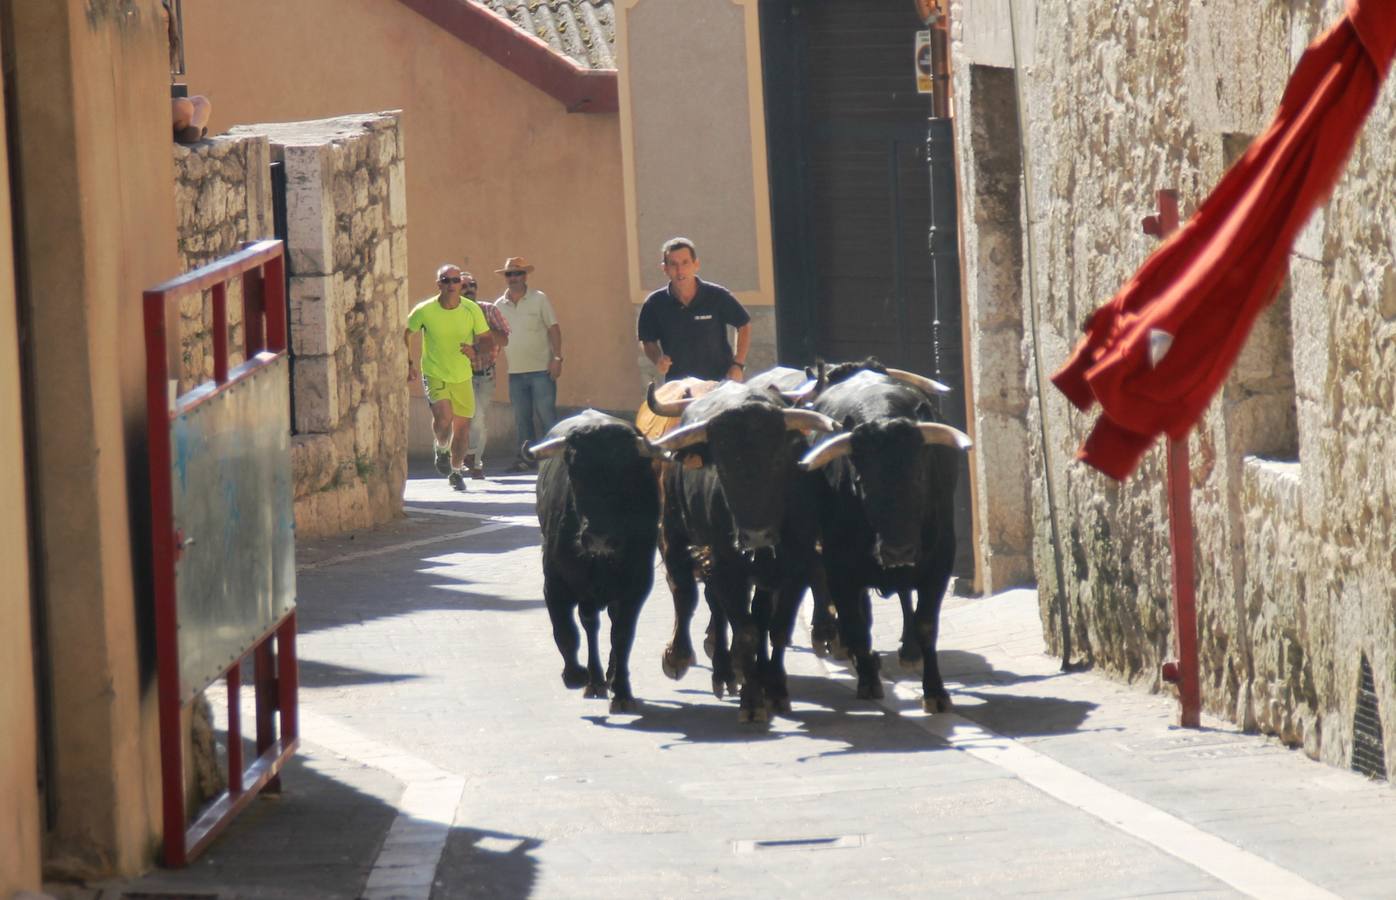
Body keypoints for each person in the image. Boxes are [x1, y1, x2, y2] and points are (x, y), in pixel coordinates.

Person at [405, 264, 493, 491]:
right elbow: (406, 333)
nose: (452, 285)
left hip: (463, 376)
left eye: (456, 281)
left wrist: (476, 350)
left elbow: (486, 339)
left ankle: (455, 471)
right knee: (444, 418)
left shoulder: (471, 309)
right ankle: (441, 446)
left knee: (462, 429)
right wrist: (408, 363)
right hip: (435, 373)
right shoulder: (425, 310)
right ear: (439, 284)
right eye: (446, 280)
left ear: (461, 284)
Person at [637, 237, 751, 382]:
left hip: (719, 383)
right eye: (673, 264)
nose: (680, 271)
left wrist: (738, 364)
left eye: (685, 263)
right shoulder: (654, 303)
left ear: (696, 264)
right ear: (665, 269)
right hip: (679, 385)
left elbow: (744, 324)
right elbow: (647, 340)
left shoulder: (717, 296)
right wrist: (658, 359)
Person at [495, 257, 562, 472]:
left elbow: (553, 329)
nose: (513, 278)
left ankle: (556, 461)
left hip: (542, 370)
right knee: (522, 419)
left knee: (547, 416)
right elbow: (496, 335)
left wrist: (557, 359)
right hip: (515, 372)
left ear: (525, 276)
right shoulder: (499, 305)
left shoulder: (539, 298)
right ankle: (526, 459)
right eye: (509, 274)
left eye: (517, 273)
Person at [463, 272, 510, 479]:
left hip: (484, 375)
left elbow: (505, 339)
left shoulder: (489, 310)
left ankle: (474, 459)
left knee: (478, 418)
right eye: (464, 286)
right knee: (467, 417)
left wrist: (483, 328)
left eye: (472, 285)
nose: (469, 289)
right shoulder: (451, 314)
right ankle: (471, 460)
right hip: (460, 375)